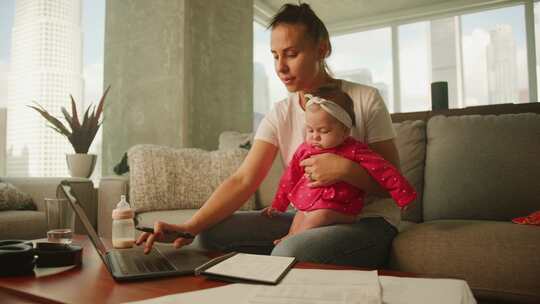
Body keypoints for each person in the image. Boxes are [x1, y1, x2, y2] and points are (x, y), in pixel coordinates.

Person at [137, 3, 404, 267]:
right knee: (209, 235)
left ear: (322, 50)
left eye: (291, 54)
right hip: (308, 215)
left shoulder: (365, 99)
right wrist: (189, 226)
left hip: (367, 221)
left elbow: (390, 185)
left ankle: (284, 260)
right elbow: (243, 179)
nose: (280, 67)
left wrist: (346, 169)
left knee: (289, 251)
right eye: (275, 55)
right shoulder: (280, 113)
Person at [263, 88, 416, 245]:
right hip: (309, 202)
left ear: (345, 131)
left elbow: (385, 171)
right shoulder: (304, 149)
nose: (314, 136)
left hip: (338, 206)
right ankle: (291, 235)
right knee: (300, 215)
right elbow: (290, 176)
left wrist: (403, 196)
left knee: (319, 216)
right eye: (310, 130)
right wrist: (278, 204)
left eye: (324, 131)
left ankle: (292, 241)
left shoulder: (355, 150)